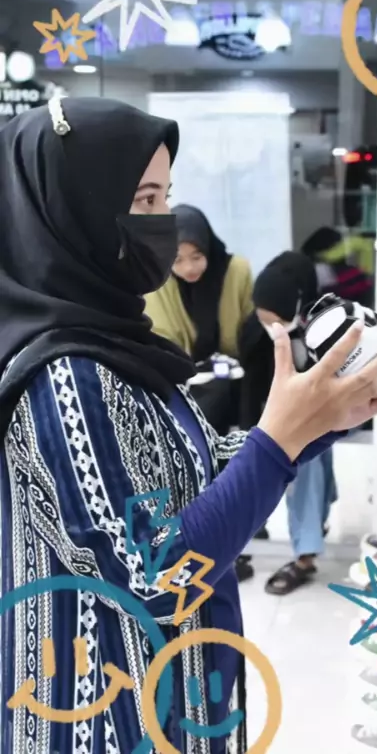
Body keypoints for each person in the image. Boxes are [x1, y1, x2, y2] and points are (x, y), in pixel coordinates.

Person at [0, 97, 377, 754]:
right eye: (144, 199)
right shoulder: (65, 373)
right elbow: (155, 578)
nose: (164, 221)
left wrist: (318, 418)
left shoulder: (117, 346)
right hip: (105, 718)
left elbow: (199, 469)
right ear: (75, 210)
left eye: (166, 196)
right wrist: (279, 441)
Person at [144, 204, 256, 580]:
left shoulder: (236, 270)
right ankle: (208, 549)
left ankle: (234, 546)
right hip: (185, 392)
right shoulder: (158, 280)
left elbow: (250, 335)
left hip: (235, 388)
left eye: (197, 256)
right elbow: (161, 343)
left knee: (229, 470)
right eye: (178, 259)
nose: (189, 267)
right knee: (198, 471)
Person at [239, 252, 336, 594]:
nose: (271, 329)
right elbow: (250, 384)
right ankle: (244, 540)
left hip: (324, 411)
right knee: (249, 457)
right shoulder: (254, 330)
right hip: (273, 414)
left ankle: (305, 555)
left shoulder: (325, 325)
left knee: (307, 457)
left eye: (277, 320)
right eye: (264, 319)